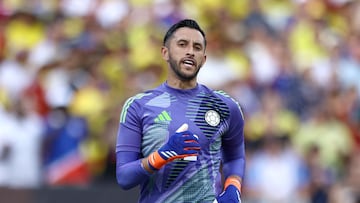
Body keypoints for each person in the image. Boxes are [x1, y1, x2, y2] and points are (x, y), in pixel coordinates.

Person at [116, 19, 245, 203]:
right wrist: (161, 156)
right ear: (165, 53)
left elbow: (235, 156)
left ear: (204, 59)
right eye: (182, 44)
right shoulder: (138, 106)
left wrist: (233, 186)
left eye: (197, 47)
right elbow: (124, 177)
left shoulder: (225, 106)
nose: (190, 51)